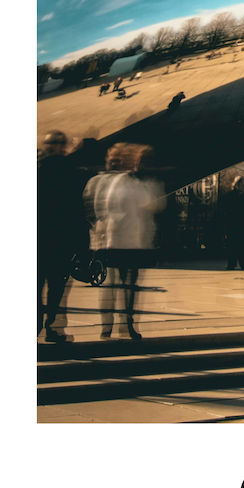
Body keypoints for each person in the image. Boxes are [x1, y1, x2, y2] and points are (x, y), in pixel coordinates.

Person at [83, 143, 165, 340]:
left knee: (128, 285)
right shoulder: (109, 181)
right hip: (114, 241)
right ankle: (109, 326)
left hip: (132, 241)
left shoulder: (134, 181)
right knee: (113, 284)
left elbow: (152, 204)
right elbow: (100, 209)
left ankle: (125, 324)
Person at [38, 131, 87, 343]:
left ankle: (40, 326)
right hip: (58, 240)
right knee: (55, 287)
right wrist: (83, 244)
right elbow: (77, 211)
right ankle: (49, 327)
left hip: (44, 240)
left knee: (39, 286)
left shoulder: (36, 170)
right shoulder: (72, 172)